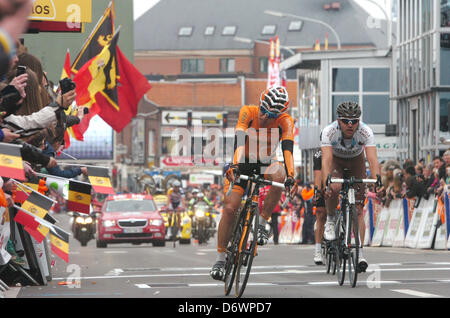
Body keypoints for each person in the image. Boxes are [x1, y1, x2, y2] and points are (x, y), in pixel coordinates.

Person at [210, 86, 298, 281]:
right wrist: (234, 165)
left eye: (271, 114)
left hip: (266, 164)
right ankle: (221, 258)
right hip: (243, 162)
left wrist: (291, 175)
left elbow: (287, 151)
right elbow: (239, 142)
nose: (265, 116)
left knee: (280, 175)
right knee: (230, 209)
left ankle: (262, 222)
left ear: (280, 114)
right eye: (264, 110)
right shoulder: (248, 112)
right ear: (260, 102)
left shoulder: (285, 121)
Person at [321, 101, 382, 273]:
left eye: (354, 121)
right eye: (346, 121)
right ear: (338, 121)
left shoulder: (366, 131)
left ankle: (360, 253)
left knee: (358, 209)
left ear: (358, 121)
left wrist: (377, 179)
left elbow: (372, 159)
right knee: (334, 186)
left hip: (356, 162)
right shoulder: (329, 132)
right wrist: (327, 180)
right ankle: (331, 220)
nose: (350, 124)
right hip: (336, 161)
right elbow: (326, 159)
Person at [312, 149, 327, 264]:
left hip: (338, 180)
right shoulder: (319, 154)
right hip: (324, 183)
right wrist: (317, 191)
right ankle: (318, 250)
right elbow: (318, 174)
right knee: (321, 214)